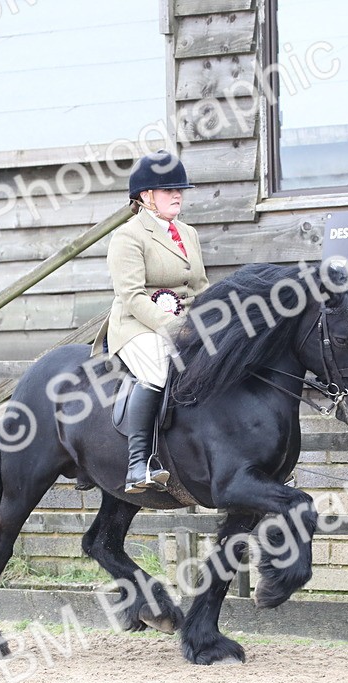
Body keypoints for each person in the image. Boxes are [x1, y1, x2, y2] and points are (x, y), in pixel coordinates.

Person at [91, 150, 210, 493]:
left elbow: (200, 287)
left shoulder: (188, 233)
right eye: (168, 189)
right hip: (137, 326)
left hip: (185, 321)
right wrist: (172, 327)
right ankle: (138, 464)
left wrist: (216, 318)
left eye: (180, 189)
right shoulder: (128, 236)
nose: (177, 195)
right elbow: (131, 295)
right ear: (146, 197)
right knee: (159, 368)